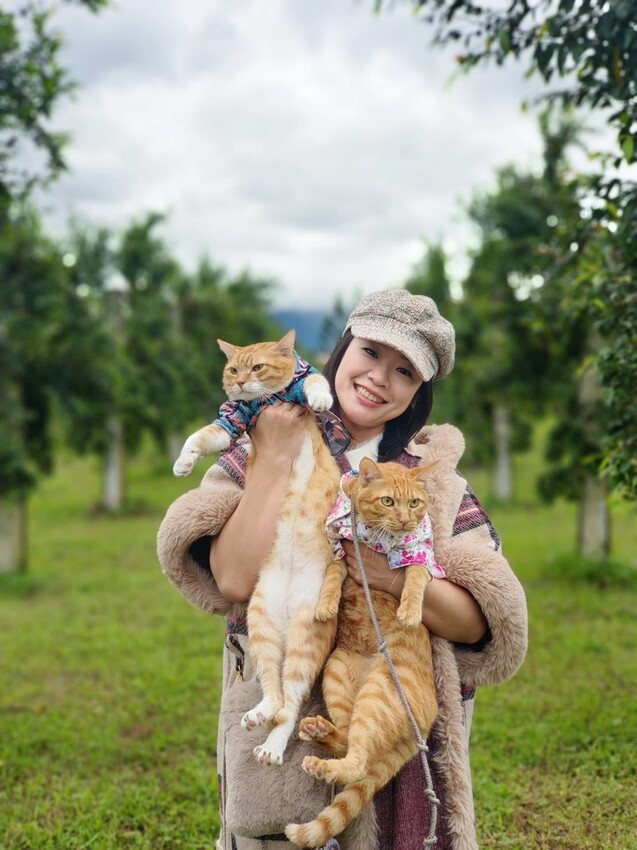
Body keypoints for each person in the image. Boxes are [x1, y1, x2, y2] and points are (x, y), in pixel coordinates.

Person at [157, 289, 528, 850]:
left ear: (417, 394)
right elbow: (233, 579)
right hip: (283, 724)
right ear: (343, 348)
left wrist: (388, 576)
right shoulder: (252, 447)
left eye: (404, 371)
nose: (380, 377)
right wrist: (277, 454)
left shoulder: (431, 484)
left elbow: (481, 624)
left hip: (390, 721)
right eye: (371, 353)